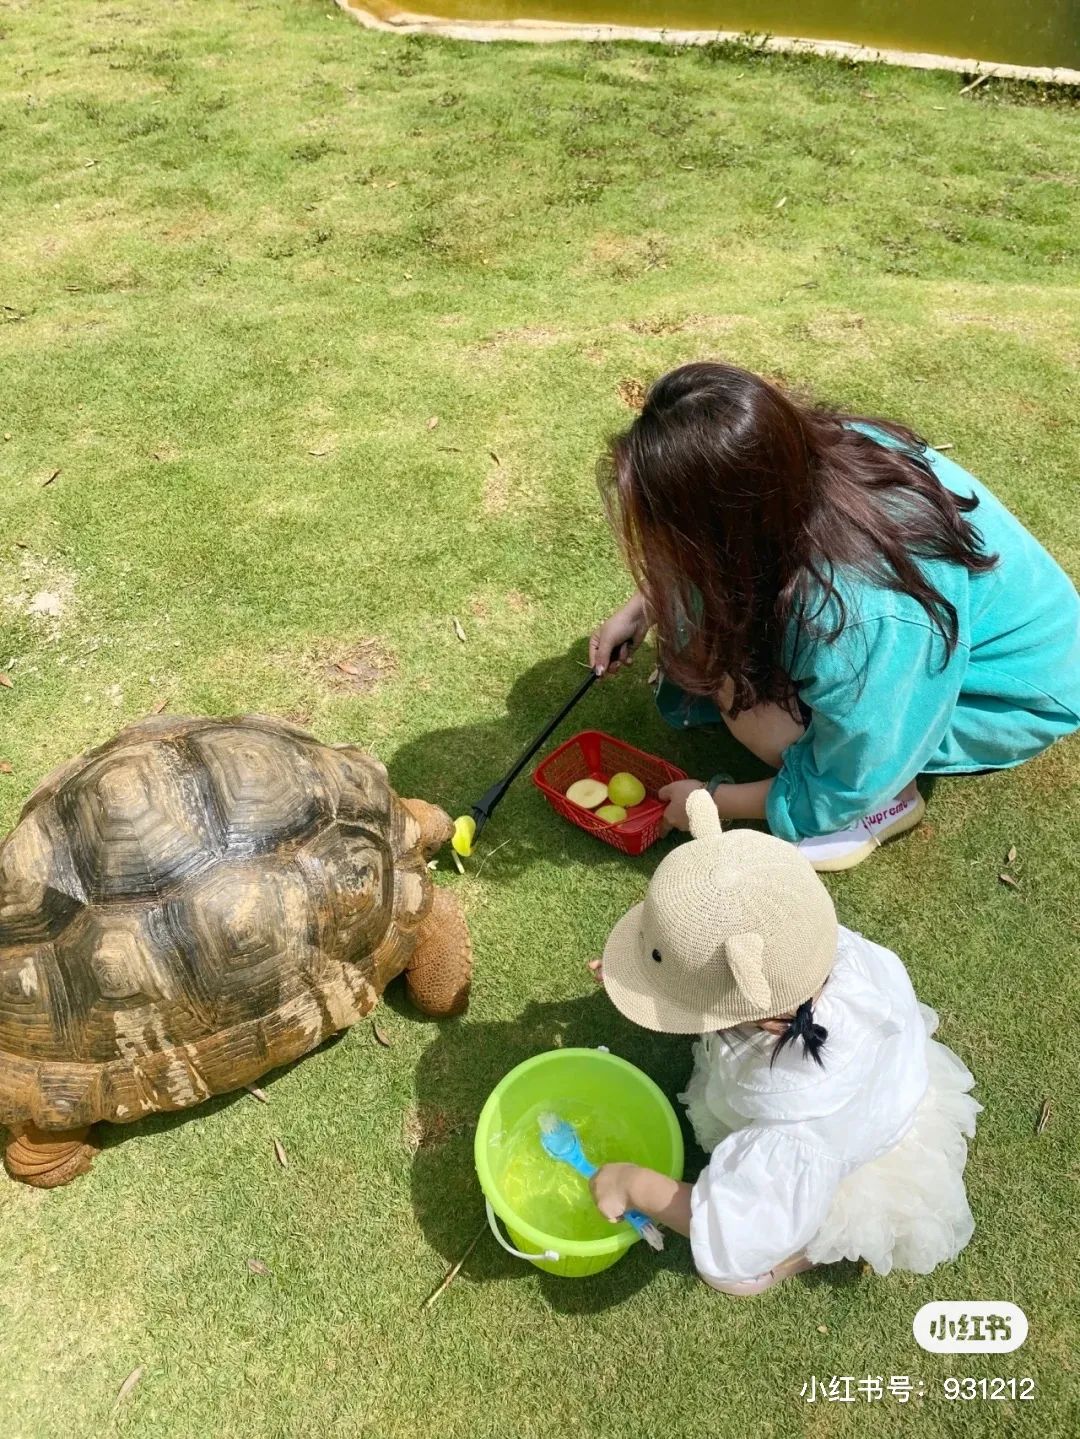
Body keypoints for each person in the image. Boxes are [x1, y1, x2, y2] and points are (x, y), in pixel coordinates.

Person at [590, 362, 1080, 869]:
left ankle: (891, 799)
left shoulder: (853, 615)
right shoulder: (792, 460)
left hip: (1007, 694)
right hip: (913, 641)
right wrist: (648, 603)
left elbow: (853, 771)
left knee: (757, 717)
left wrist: (714, 802)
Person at [587, 791, 981, 1295]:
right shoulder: (810, 949)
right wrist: (653, 983)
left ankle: (799, 1253)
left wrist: (632, 1183)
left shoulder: (793, 1136)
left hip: (841, 1148)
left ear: (739, 1009)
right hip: (885, 1078)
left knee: (732, 1276)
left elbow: (731, 1232)